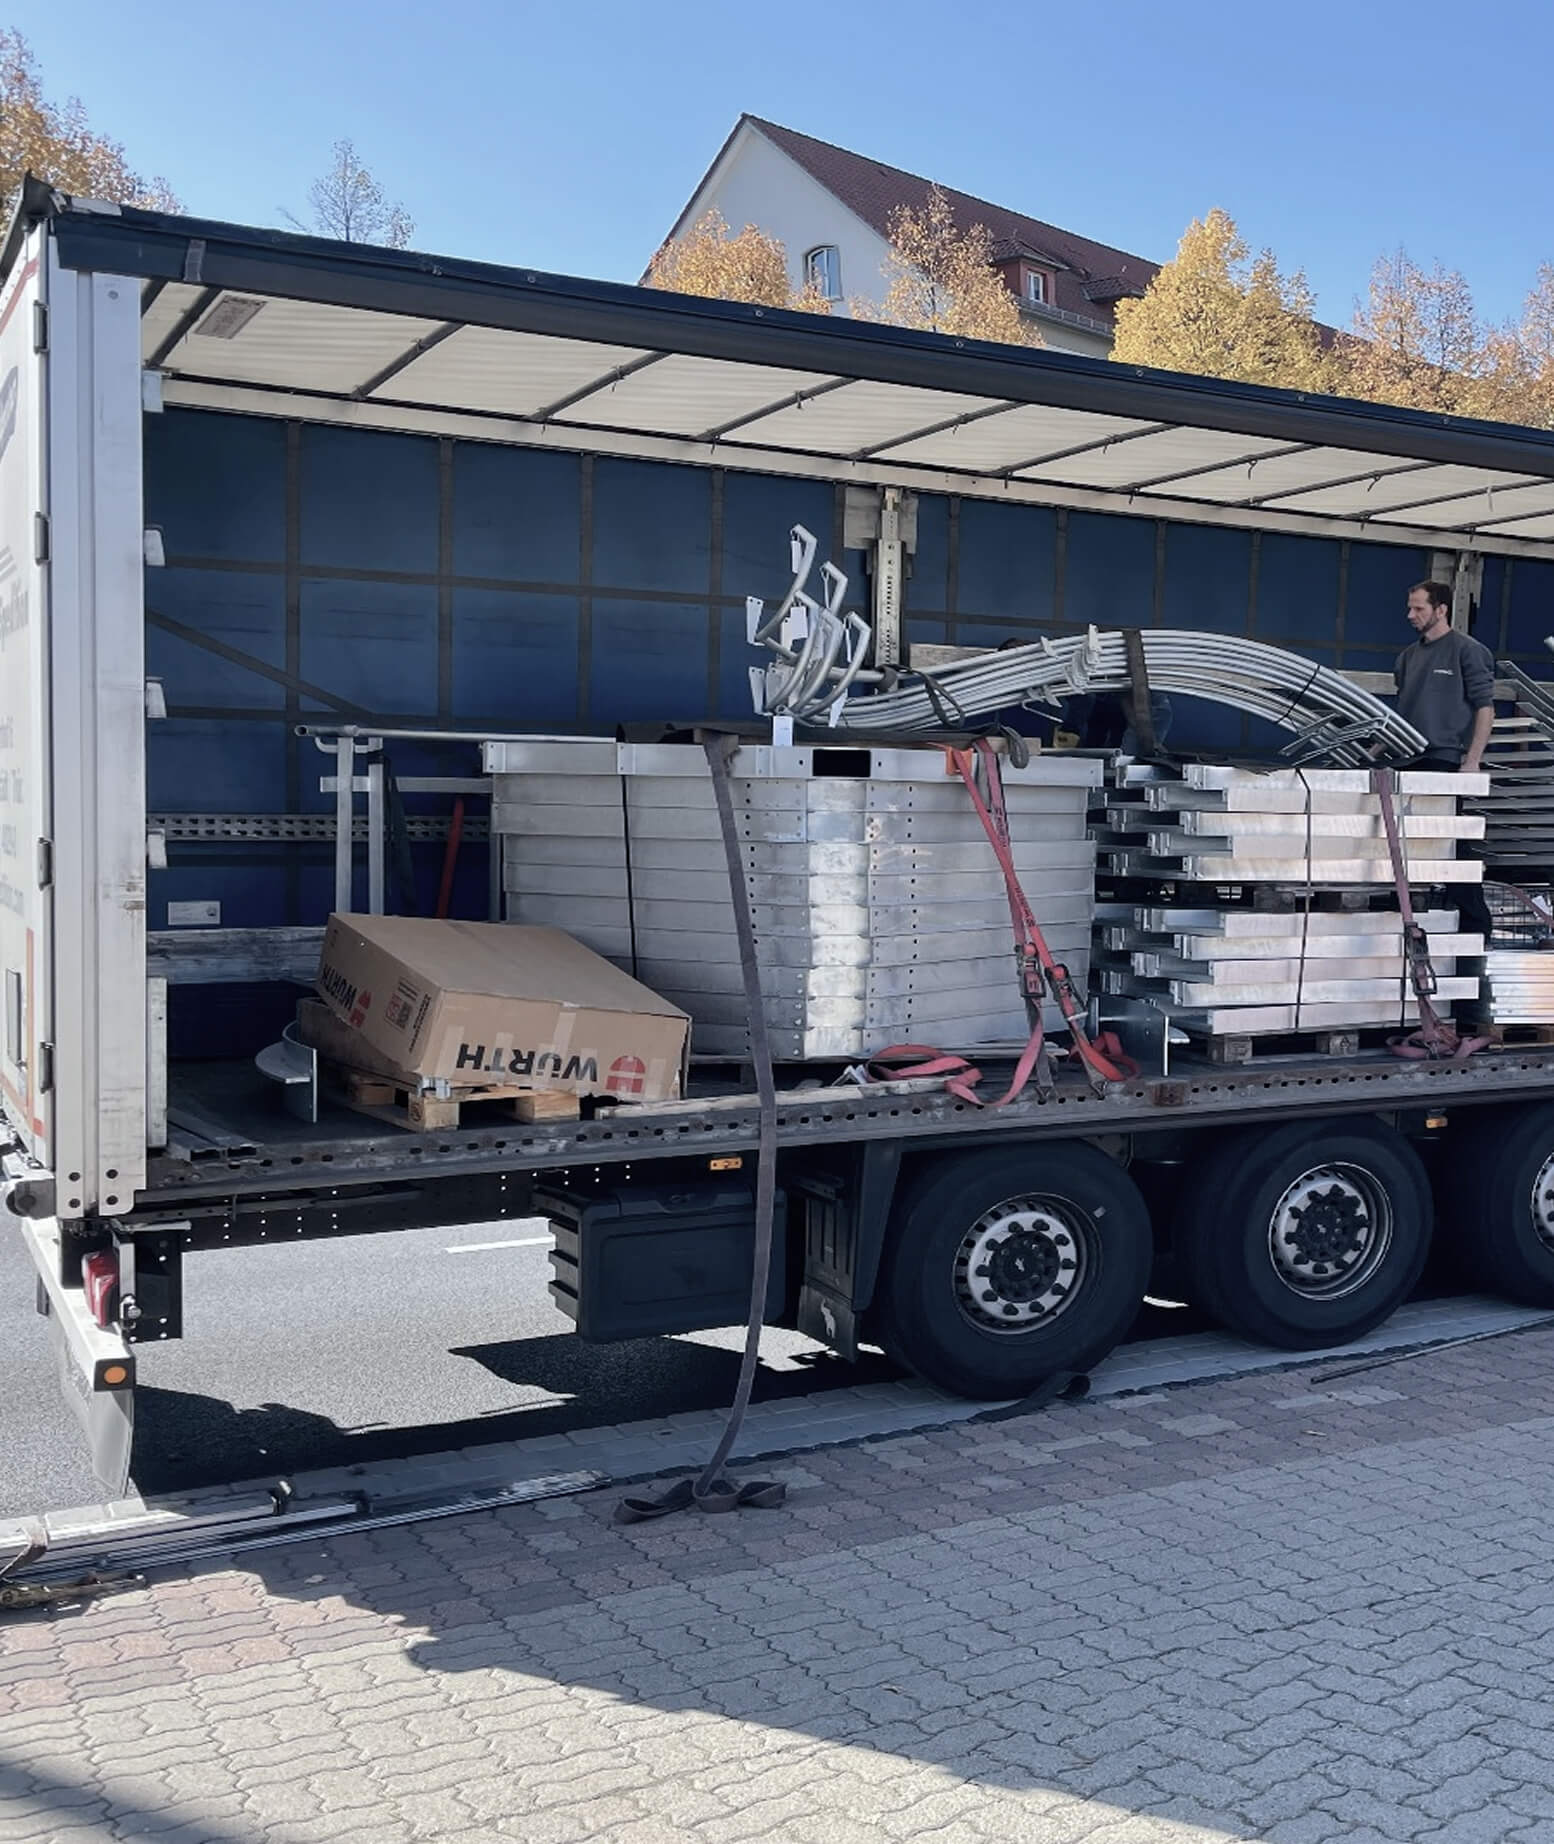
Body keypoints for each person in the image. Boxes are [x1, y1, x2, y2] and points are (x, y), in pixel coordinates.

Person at [1392, 578, 1495, 958]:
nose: (1411, 615)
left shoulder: (1467, 651)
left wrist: (1472, 760)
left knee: (1451, 844)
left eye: (1419, 608)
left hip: (1444, 758)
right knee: (1406, 843)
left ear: (1441, 609)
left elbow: (1485, 708)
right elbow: (1403, 712)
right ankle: (1414, 918)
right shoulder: (1407, 657)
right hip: (1407, 758)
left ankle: (1475, 926)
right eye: (1410, 607)